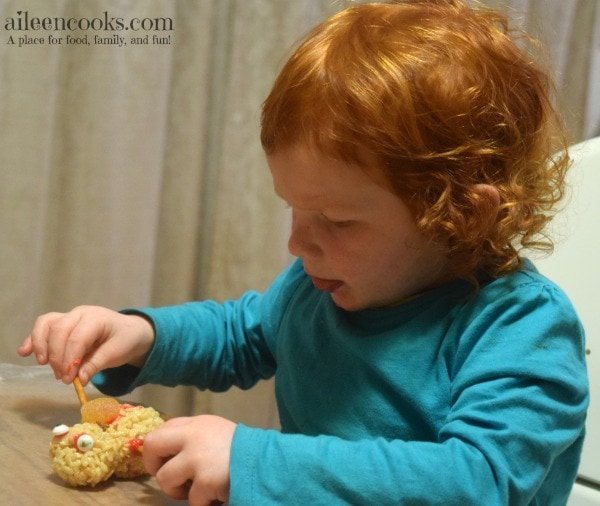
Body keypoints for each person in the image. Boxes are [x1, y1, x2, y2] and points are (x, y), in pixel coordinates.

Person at [19, 1, 589, 504]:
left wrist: (252, 461)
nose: (298, 243)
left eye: (337, 220)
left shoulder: (522, 328)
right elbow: (242, 335)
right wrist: (141, 337)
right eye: (294, 209)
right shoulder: (317, 287)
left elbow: (480, 482)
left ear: (462, 215)